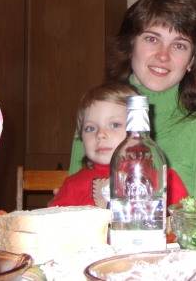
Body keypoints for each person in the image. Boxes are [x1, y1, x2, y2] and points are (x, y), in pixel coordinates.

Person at [68, 0, 196, 200]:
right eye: (152, 39)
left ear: (191, 60)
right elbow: (73, 202)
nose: (163, 55)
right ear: (130, 44)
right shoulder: (97, 116)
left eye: (179, 45)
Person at [52, 82, 188, 208]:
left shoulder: (164, 179)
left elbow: (184, 219)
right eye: (91, 128)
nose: (100, 134)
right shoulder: (73, 185)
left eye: (115, 125)